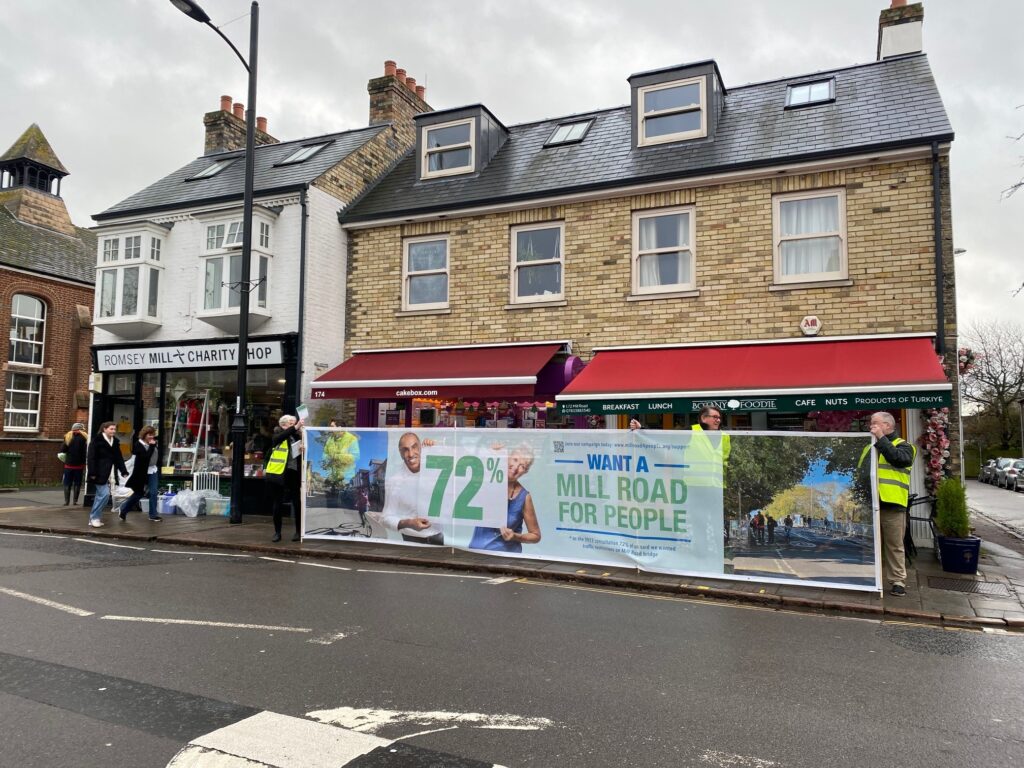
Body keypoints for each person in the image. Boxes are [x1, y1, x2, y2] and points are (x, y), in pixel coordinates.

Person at [858, 411, 917, 597]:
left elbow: (898, 459)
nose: (871, 426)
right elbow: (861, 473)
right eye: (871, 423)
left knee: (894, 544)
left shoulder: (905, 446)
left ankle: (898, 580)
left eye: (875, 423)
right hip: (871, 504)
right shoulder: (870, 447)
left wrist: (881, 438)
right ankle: (868, 577)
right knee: (868, 543)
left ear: (887, 425)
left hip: (892, 504)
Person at [469, 444, 542, 553]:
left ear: (525, 472)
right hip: (477, 553)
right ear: (508, 458)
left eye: (522, 466)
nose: (516, 467)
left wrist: (516, 537)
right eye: (515, 460)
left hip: (507, 558)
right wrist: (487, 453)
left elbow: (535, 535)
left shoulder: (524, 497)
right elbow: (468, 469)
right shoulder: (487, 482)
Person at [376, 432, 445, 545]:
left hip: (438, 537)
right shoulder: (395, 481)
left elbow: (455, 461)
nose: (411, 454)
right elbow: (385, 518)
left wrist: (437, 448)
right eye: (405, 449)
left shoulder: (436, 470)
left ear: (421, 447)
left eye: (414, 447)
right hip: (410, 540)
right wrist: (409, 523)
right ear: (400, 453)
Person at [264, 415, 305, 542]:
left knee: (297, 503)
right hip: (279, 473)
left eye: (295, 423)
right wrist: (296, 427)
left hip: (293, 473)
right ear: (283, 425)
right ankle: (277, 532)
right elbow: (278, 439)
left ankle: (298, 532)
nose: (295, 425)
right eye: (291, 423)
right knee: (277, 503)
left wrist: (303, 449)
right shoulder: (278, 434)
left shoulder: (297, 435)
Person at [86, 421, 129, 528]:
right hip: (98, 472)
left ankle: (93, 518)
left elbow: (118, 457)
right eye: (111, 429)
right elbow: (91, 457)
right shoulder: (96, 441)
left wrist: (123, 471)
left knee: (100, 496)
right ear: (104, 429)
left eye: (114, 429)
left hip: (110, 473)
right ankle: (94, 518)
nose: (114, 431)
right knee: (104, 495)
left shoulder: (115, 442)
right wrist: (92, 472)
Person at [120, 426, 161, 522]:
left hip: (152, 471)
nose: (152, 437)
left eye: (153, 435)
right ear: (144, 435)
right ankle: (124, 509)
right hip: (141, 473)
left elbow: (155, 456)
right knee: (138, 494)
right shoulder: (138, 445)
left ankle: (153, 515)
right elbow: (145, 458)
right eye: (149, 435)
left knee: (153, 492)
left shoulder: (152, 444)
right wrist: (152, 446)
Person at [60, 421, 89, 506]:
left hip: (68, 464)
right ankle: (75, 501)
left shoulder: (68, 437)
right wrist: (85, 462)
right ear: (79, 430)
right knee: (77, 482)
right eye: (82, 430)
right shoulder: (85, 438)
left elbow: (62, 450)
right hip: (79, 465)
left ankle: (66, 501)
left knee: (67, 482)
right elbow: (85, 452)